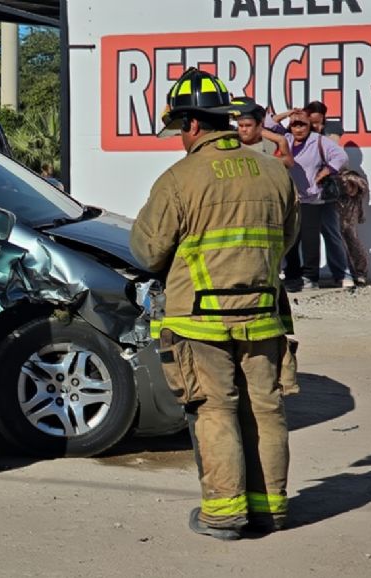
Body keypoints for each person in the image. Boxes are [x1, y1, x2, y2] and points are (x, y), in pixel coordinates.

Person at [130, 67, 300, 540]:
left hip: (199, 322)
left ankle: (224, 514)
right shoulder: (272, 171)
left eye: (178, 130)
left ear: (191, 124)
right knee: (265, 410)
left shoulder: (179, 179)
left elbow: (147, 251)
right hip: (264, 316)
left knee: (214, 409)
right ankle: (271, 510)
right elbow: (288, 240)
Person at [267, 109, 351, 290]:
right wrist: (289, 112)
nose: (298, 129)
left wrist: (326, 171)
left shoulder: (319, 140)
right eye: (294, 125)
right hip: (292, 197)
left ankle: (310, 277)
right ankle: (292, 275)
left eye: (302, 125)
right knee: (291, 238)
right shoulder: (286, 140)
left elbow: (341, 157)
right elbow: (267, 125)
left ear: (309, 125)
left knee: (310, 239)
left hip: (312, 197)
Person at [230, 96, 294, 168]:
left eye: (248, 126)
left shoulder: (270, 143)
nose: (244, 129)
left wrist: (281, 140)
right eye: (241, 126)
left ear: (259, 125)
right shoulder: (231, 140)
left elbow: (289, 162)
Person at [337, 169, 370, 286]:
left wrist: (351, 185)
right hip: (333, 208)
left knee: (352, 241)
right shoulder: (327, 174)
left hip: (349, 210)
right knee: (337, 242)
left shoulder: (350, 175)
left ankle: (360, 273)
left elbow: (362, 188)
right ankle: (345, 272)